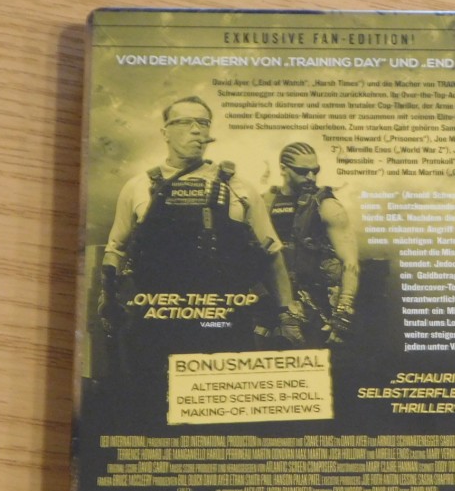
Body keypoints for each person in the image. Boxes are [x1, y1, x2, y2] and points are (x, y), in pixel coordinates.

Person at [98, 97, 304, 398]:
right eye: (185, 122)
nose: (196, 130)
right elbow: (115, 249)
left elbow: (271, 253)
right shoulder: (138, 187)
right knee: (150, 400)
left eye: (203, 123)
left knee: (224, 402)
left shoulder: (240, 188)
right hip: (157, 319)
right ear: (165, 132)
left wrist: (286, 314)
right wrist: (107, 298)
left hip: (221, 319)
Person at [262, 142, 360, 346]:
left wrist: (343, 311)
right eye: (302, 171)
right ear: (283, 169)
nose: (311, 177)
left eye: (315, 171)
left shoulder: (327, 205)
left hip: (316, 305)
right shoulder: (265, 202)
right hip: (274, 306)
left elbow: (350, 262)